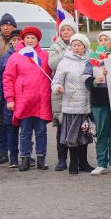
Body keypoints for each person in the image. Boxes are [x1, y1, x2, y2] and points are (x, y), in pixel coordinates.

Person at [3, 26, 53, 171]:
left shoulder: (45, 56)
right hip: (23, 100)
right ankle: (24, 158)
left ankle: (41, 158)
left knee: (41, 131)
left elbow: (52, 73)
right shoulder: (16, 56)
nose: (30, 40)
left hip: (41, 100)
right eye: (27, 38)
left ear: (37, 40)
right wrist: (10, 98)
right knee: (25, 132)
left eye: (33, 38)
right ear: (23, 40)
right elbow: (8, 78)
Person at [52, 32, 95, 175]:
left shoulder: (91, 60)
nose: (76, 47)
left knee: (84, 134)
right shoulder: (65, 61)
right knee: (72, 135)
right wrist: (57, 88)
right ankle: (73, 162)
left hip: (86, 104)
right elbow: (56, 81)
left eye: (79, 45)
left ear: (85, 46)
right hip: (70, 104)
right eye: (73, 45)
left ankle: (84, 162)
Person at [88, 31, 111, 175]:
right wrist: (95, 81)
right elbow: (86, 76)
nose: (102, 42)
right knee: (101, 131)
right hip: (99, 99)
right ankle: (101, 162)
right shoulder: (92, 58)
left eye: (106, 39)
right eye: (100, 39)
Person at [48, 19, 77, 171]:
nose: (66, 32)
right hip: (60, 91)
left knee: (76, 126)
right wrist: (66, 52)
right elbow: (52, 64)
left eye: (69, 29)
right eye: (63, 29)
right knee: (61, 126)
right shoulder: (55, 47)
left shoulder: (81, 45)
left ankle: (76, 159)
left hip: (77, 92)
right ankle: (61, 159)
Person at [0, 32, 22, 167]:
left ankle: (26, 154)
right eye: (13, 40)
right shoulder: (5, 56)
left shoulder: (28, 54)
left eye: (18, 39)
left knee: (26, 128)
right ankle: (11, 155)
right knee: (9, 127)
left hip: (24, 97)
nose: (16, 42)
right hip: (8, 98)